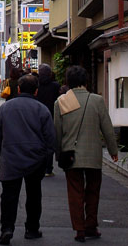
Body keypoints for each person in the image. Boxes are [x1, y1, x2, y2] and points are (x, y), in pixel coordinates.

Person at [0, 74, 56, 245]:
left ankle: (7, 228)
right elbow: (51, 139)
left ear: (18, 89)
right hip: (35, 159)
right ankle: (32, 229)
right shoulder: (42, 110)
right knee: (34, 195)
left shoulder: (6, 108)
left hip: (10, 158)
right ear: (36, 91)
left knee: (9, 196)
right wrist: (45, 157)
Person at [54, 65, 118, 243]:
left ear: (68, 82)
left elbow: (57, 132)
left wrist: (58, 153)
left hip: (70, 154)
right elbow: (107, 129)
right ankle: (91, 225)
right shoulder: (97, 100)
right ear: (85, 81)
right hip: (93, 154)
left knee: (75, 193)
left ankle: (79, 229)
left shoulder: (61, 102)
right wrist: (113, 151)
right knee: (93, 191)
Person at [37, 63, 60, 177]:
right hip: (51, 115)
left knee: (38, 140)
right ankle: (48, 169)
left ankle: (38, 166)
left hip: (37, 116)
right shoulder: (55, 86)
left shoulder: (37, 85)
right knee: (49, 142)